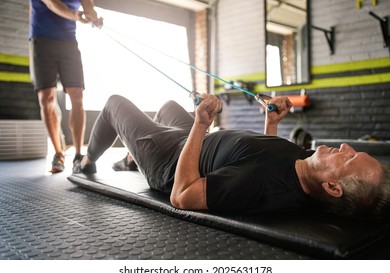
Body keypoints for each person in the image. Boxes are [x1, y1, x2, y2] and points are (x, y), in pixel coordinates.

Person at [75, 94, 390, 220]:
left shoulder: (259, 184)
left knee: (114, 104)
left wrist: (200, 125)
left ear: (334, 188)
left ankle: (87, 160)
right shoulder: (309, 167)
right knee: (170, 106)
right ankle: (133, 158)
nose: (345, 148)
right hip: (198, 140)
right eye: (353, 151)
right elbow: (269, 154)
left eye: (348, 159)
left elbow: (182, 195)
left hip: (172, 160)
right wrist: (272, 122)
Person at [29, 0, 102, 173]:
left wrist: (94, 18)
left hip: (69, 41)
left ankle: (78, 154)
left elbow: (88, 6)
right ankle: (58, 153)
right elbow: (52, 4)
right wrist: (74, 15)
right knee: (46, 98)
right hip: (42, 39)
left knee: (77, 96)